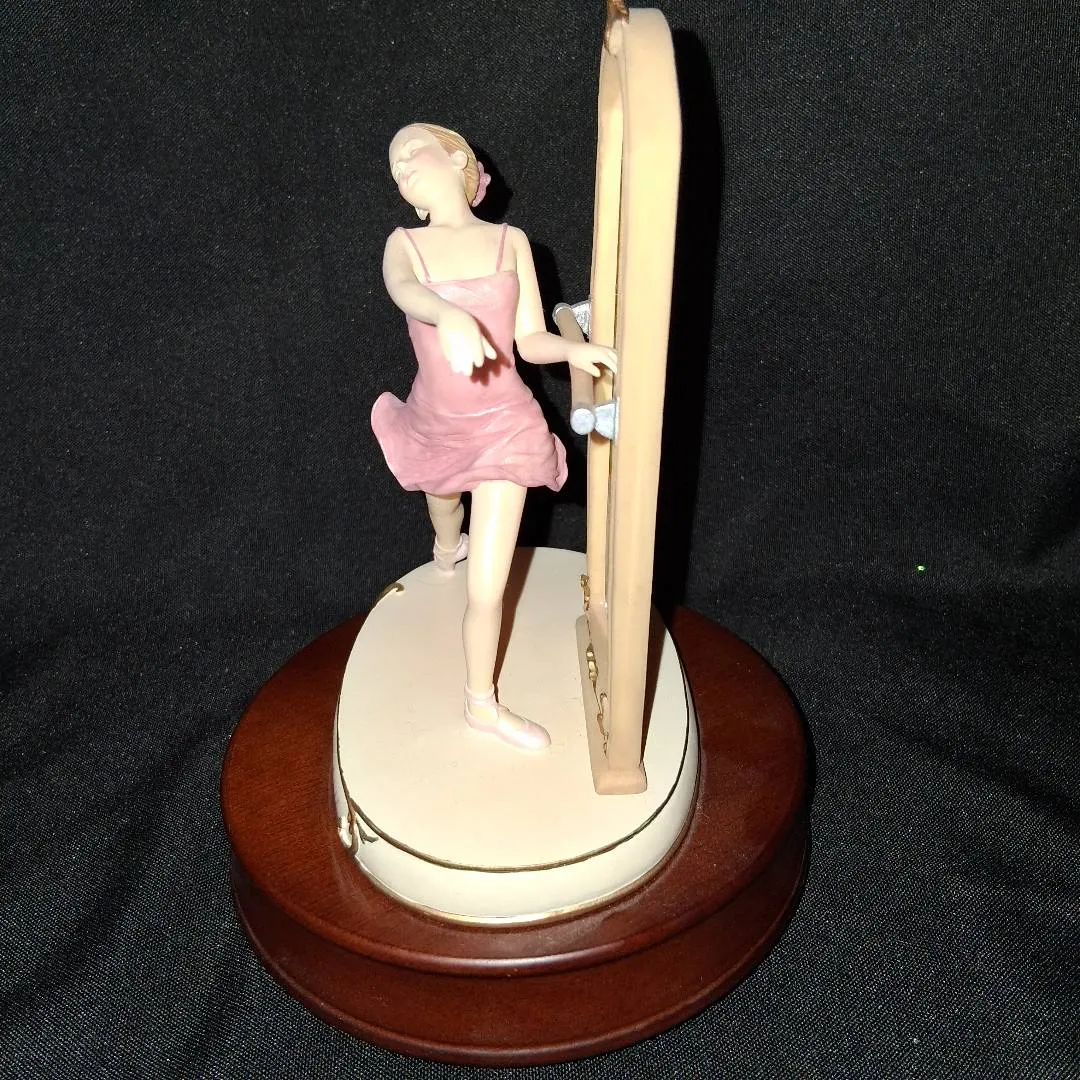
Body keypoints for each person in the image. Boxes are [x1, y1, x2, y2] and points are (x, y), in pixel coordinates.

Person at [373, 123, 615, 751]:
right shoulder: (404, 245)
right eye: (394, 168)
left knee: (488, 588)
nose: (402, 169)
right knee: (444, 507)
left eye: (411, 153)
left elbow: (529, 338)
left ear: (456, 158)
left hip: (506, 425)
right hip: (438, 423)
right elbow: (405, 292)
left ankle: (480, 703)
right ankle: (444, 543)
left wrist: (575, 351)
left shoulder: (511, 242)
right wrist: (450, 314)